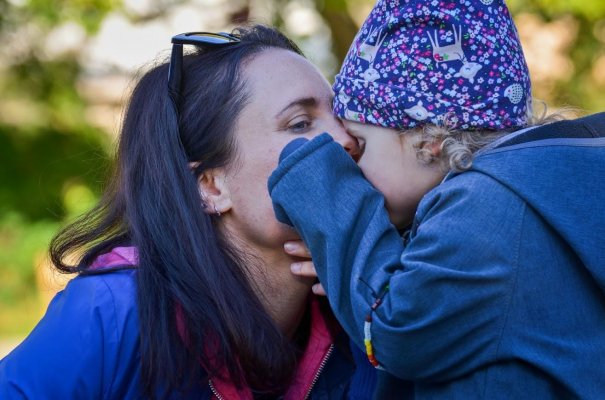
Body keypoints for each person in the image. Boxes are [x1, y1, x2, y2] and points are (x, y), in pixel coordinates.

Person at [0, 25, 378, 399]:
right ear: (211, 187)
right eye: (300, 124)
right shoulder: (110, 314)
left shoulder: (375, 308)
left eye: (340, 116)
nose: (348, 140)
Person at [268, 0, 605, 398]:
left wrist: (334, 217)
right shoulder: (536, 189)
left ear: (428, 140)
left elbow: (396, 331)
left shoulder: (487, 205)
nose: (352, 165)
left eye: (359, 144)